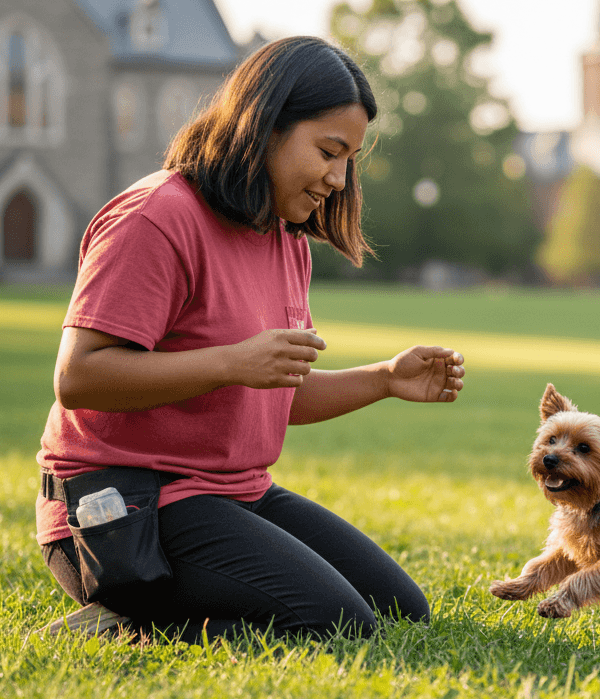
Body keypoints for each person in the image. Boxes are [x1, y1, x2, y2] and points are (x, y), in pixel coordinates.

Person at [35, 36, 465, 642]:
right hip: (122, 506)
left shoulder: (283, 236)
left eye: (350, 161)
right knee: (337, 624)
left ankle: (155, 613)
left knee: (400, 610)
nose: (339, 179)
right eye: (328, 151)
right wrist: (231, 362)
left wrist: (385, 379)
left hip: (232, 493)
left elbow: (272, 394)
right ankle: (122, 624)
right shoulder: (156, 217)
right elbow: (80, 378)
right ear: (264, 127)